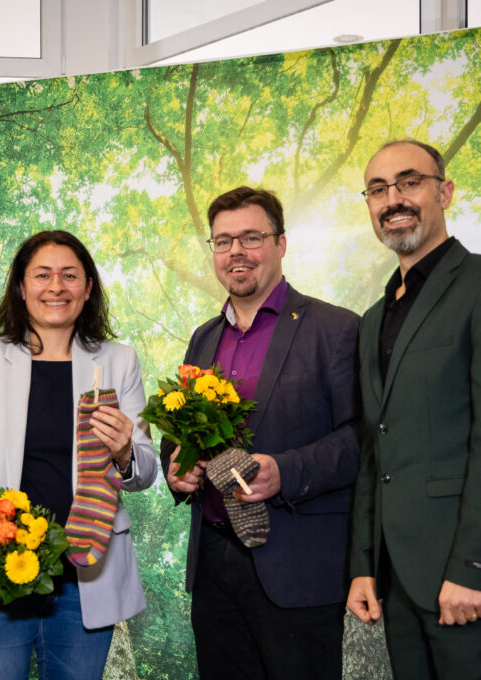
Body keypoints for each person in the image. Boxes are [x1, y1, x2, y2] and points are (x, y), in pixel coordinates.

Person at [0, 229, 157, 680]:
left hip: (84, 573)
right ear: (21, 286)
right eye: (43, 275)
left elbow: (145, 472)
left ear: (88, 288)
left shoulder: (118, 361)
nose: (56, 286)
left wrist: (125, 450)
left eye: (70, 275)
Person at [161, 186, 361, 679]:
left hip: (297, 568)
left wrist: (285, 473)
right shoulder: (203, 338)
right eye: (223, 241)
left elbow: (363, 439)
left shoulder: (336, 329)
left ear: (281, 244)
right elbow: (181, 429)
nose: (236, 252)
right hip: (213, 563)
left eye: (251, 237)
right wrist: (176, 465)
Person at [347, 139, 481, 679]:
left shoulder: (476, 286)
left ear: (444, 191)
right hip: (395, 580)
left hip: (462, 579)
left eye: (409, 182)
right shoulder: (374, 317)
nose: (393, 198)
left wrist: (473, 566)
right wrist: (362, 565)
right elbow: (372, 448)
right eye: (378, 189)